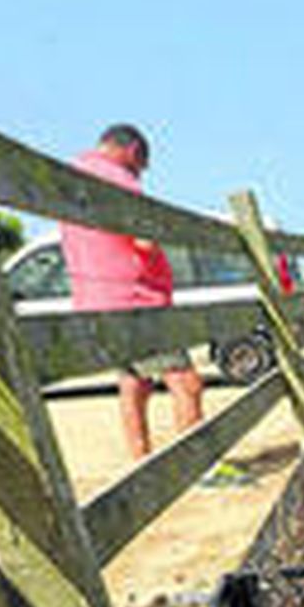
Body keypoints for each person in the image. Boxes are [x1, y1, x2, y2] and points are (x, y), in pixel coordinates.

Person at [61, 124, 203, 459]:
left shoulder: (73, 175)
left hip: (98, 299)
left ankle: (140, 459)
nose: (141, 173)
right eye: (142, 166)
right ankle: (202, 465)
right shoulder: (118, 178)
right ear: (134, 151)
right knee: (185, 381)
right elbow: (144, 239)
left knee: (134, 383)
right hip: (138, 298)